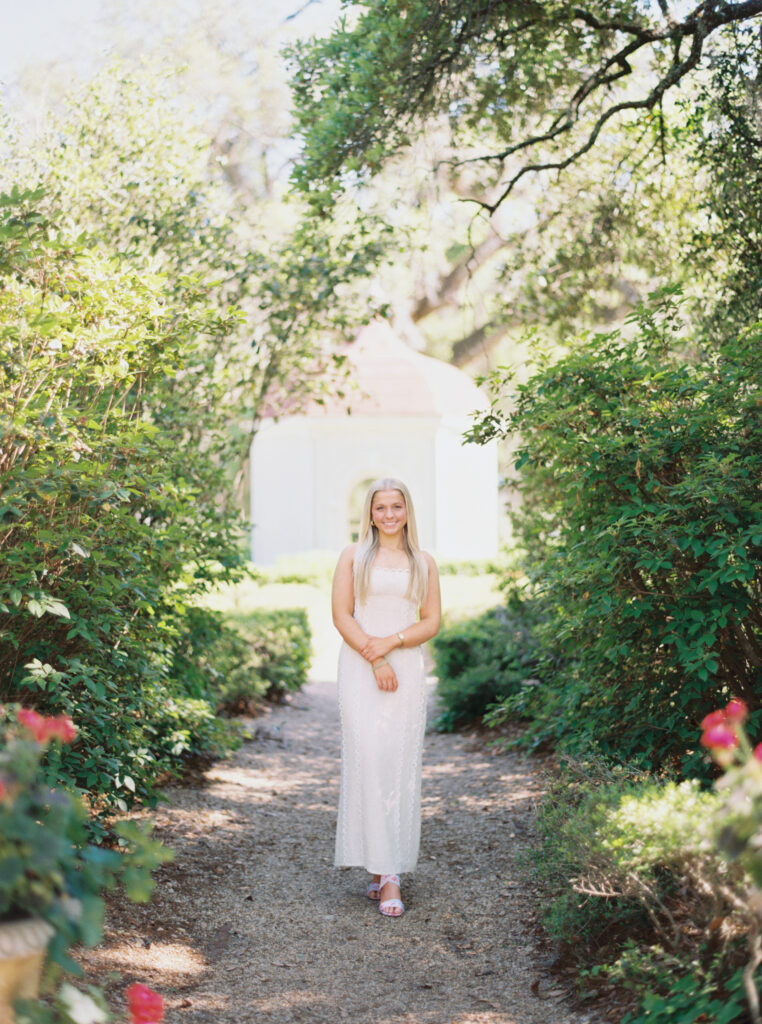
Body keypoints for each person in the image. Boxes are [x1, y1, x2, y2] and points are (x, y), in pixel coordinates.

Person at [331, 478, 441, 918]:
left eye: (397, 507)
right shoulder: (353, 556)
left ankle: (389, 873)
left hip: (406, 669)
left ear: (407, 511)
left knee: (397, 765)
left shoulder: (424, 561)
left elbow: (431, 621)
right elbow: (341, 614)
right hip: (360, 667)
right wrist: (374, 657)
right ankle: (379, 865)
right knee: (367, 759)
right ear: (370, 513)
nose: (389, 515)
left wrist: (392, 643)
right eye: (381, 508)